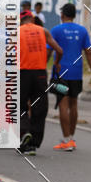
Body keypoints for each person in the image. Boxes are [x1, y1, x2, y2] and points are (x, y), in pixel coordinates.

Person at [50, 2, 91, 151]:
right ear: (74, 15)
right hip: (76, 73)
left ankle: (67, 140)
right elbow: (88, 52)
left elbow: (49, 50)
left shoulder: (56, 30)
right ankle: (72, 138)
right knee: (74, 104)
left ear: (62, 14)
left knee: (63, 103)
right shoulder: (82, 31)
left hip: (61, 74)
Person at [19, 10, 62, 155]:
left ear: (21, 20)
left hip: (22, 73)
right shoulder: (43, 31)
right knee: (39, 107)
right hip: (40, 74)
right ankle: (33, 143)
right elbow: (59, 50)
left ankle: (24, 133)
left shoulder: (16, 32)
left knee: (20, 105)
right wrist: (55, 63)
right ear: (32, 18)